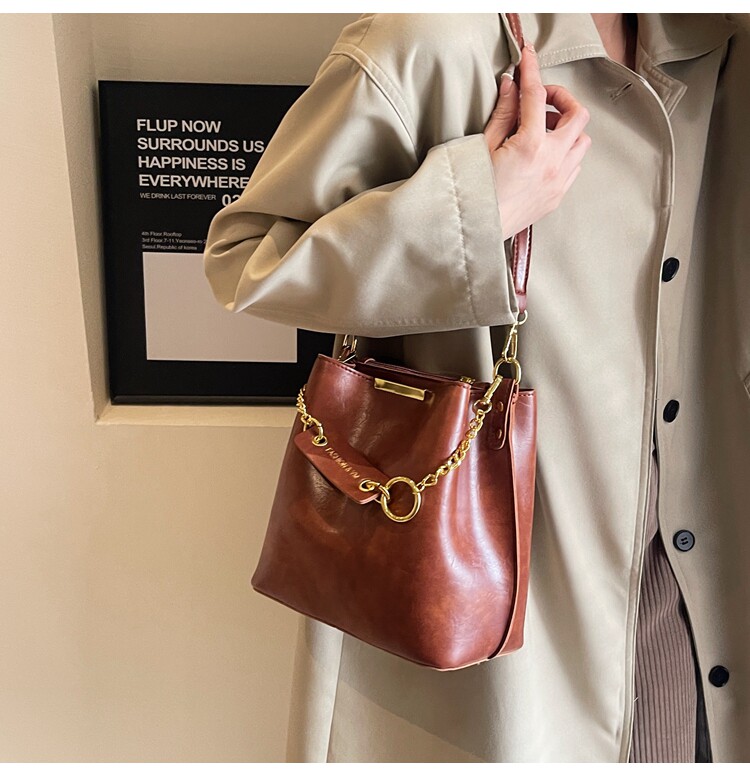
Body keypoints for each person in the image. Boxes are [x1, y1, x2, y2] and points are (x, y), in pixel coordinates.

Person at [203, 13, 750, 763]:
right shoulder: (429, 44)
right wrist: (479, 212)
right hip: (506, 609)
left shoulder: (725, 46)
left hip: (706, 595)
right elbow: (249, 260)